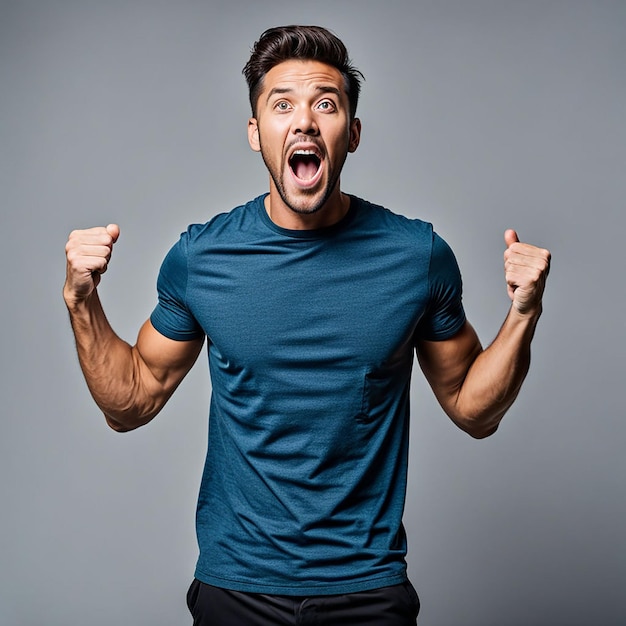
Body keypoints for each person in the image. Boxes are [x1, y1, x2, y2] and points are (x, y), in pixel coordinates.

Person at [63, 25, 550, 626]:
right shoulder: (201, 258)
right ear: (255, 133)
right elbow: (131, 402)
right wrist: (82, 303)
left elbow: (474, 410)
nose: (305, 122)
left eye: (326, 104)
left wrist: (523, 315)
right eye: (282, 104)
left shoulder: (417, 256)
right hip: (236, 588)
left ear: (353, 133)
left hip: (367, 589)